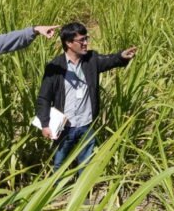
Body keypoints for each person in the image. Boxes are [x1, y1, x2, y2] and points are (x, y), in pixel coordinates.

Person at [35, 22, 137, 175]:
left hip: (86, 124)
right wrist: (44, 124)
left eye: (86, 39)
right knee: (59, 164)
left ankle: (83, 195)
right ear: (69, 43)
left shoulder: (91, 60)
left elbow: (108, 60)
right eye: (81, 40)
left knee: (86, 164)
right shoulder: (55, 67)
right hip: (64, 126)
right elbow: (44, 97)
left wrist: (121, 56)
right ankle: (57, 192)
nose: (85, 43)